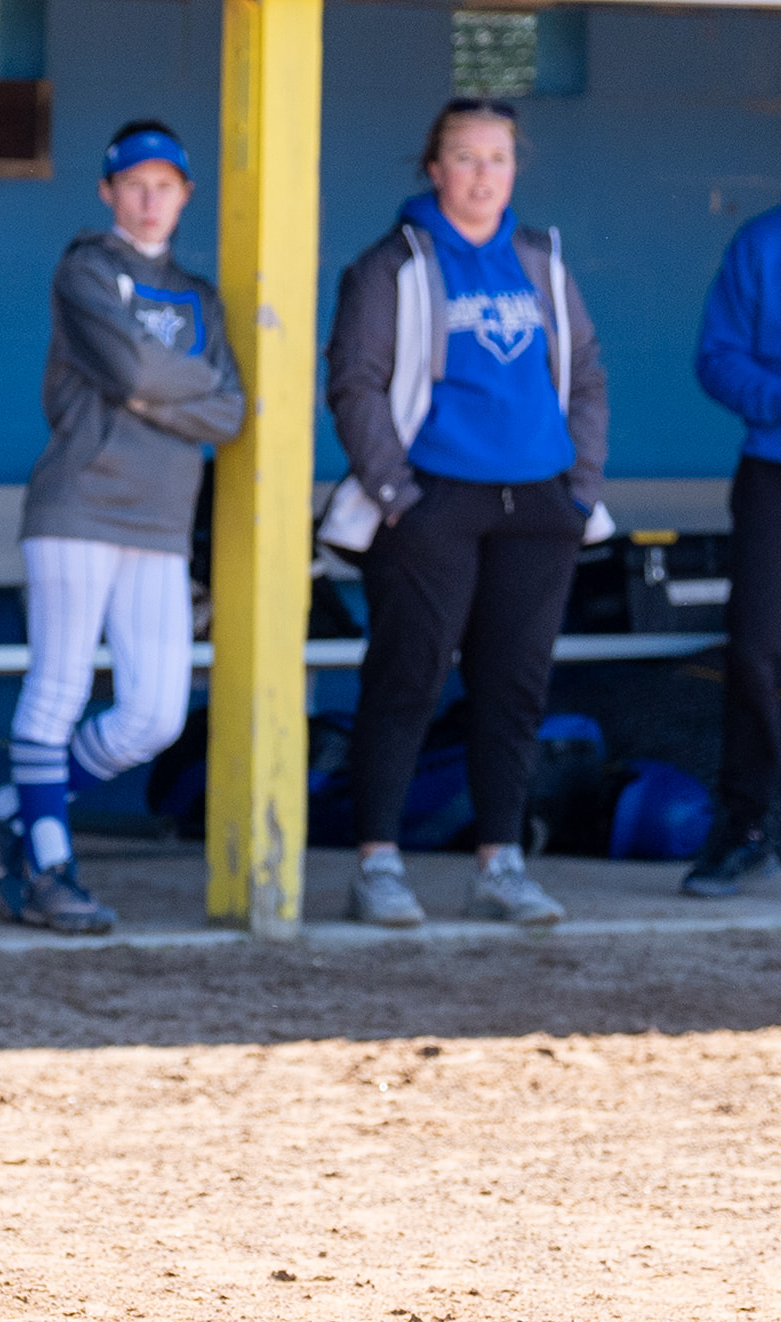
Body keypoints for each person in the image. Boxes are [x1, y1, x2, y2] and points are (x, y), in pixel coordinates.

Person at [320, 98, 611, 928]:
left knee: (514, 687)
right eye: (466, 158)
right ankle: (377, 863)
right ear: (434, 167)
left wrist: (578, 488)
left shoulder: (542, 261)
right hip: (434, 503)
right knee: (407, 679)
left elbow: (585, 373)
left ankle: (502, 864)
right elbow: (355, 385)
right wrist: (400, 499)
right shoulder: (394, 266)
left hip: (540, 504)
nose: (484, 175)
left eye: (498, 158)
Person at [0, 121, 242, 936]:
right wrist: (160, 389)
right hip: (77, 507)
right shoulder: (87, 267)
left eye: (167, 185)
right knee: (60, 688)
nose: (151, 199)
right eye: (135, 184)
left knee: (156, 714)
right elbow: (127, 371)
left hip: (161, 521)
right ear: (109, 191)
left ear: (186, 195)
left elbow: (230, 409)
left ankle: (10, 806)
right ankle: (49, 865)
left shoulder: (200, 296)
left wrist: (156, 391)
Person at [684, 206, 781, 896]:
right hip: (772, 468)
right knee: (755, 647)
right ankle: (746, 827)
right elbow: (717, 359)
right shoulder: (762, 243)